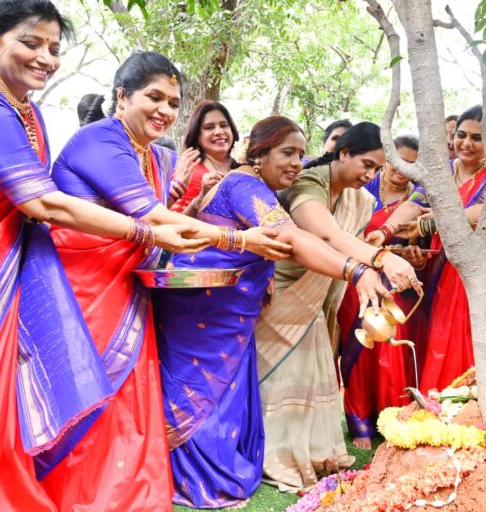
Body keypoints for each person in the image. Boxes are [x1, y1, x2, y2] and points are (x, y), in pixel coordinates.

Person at [0, 2, 200, 510]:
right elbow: (43, 203)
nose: (47, 58)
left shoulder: (22, 108)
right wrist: (152, 232)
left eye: (54, 48)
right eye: (31, 43)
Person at [40, 52, 290, 511]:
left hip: (128, 287)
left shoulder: (154, 155)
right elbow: (153, 219)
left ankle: (116, 491)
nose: (165, 110)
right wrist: (238, 239)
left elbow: (163, 223)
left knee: (126, 396)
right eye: (154, 97)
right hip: (82, 290)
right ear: (122, 96)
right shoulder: (99, 140)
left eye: (173, 103)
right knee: (88, 391)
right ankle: (69, 493)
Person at [154, 115, 389, 508]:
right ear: (259, 153)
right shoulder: (245, 186)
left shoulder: (250, 184)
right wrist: (357, 270)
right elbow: (291, 238)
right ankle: (196, 477)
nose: (297, 163)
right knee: (201, 393)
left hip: (222, 309)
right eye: (287, 153)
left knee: (216, 393)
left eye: (301, 153)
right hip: (204, 312)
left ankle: (203, 471)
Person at [257, 121, 421, 491]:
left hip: (316, 303)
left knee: (310, 376)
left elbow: (348, 244)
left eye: (377, 169)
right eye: (366, 164)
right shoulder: (308, 183)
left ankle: (311, 453)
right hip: (281, 293)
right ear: (343, 153)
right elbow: (326, 235)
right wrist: (379, 260)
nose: (370, 175)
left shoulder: (358, 200)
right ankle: (271, 456)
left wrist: (380, 249)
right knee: (278, 378)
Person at [379, 105, 486, 393]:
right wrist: (386, 230)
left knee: (460, 337)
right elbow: (414, 204)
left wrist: (430, 225)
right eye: (461, 135)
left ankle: (465, 401)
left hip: (471, 273)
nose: (466, 143)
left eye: (477, 137)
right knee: (437, 336)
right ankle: (437, 400)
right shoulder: (442, 172)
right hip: (438, 269)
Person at [336, 134, 429, 449]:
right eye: (397, 161)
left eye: (410, 164)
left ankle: (391, 418)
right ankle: (360, 422)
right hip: (357, 279)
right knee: (360, 350)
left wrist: (415, 257)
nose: (402, 170)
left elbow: (424, 246)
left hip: (396, 286)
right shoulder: (363, 188)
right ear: (386, 159)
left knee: (391, 353)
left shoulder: (420, 197)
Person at [174, 100, 239, 211]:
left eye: (224, 125)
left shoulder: (244, 166)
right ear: (197, 136)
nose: (219, 132)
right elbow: (174, 219)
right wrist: (202, 197)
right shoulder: (188, 172)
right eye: (209, 127)